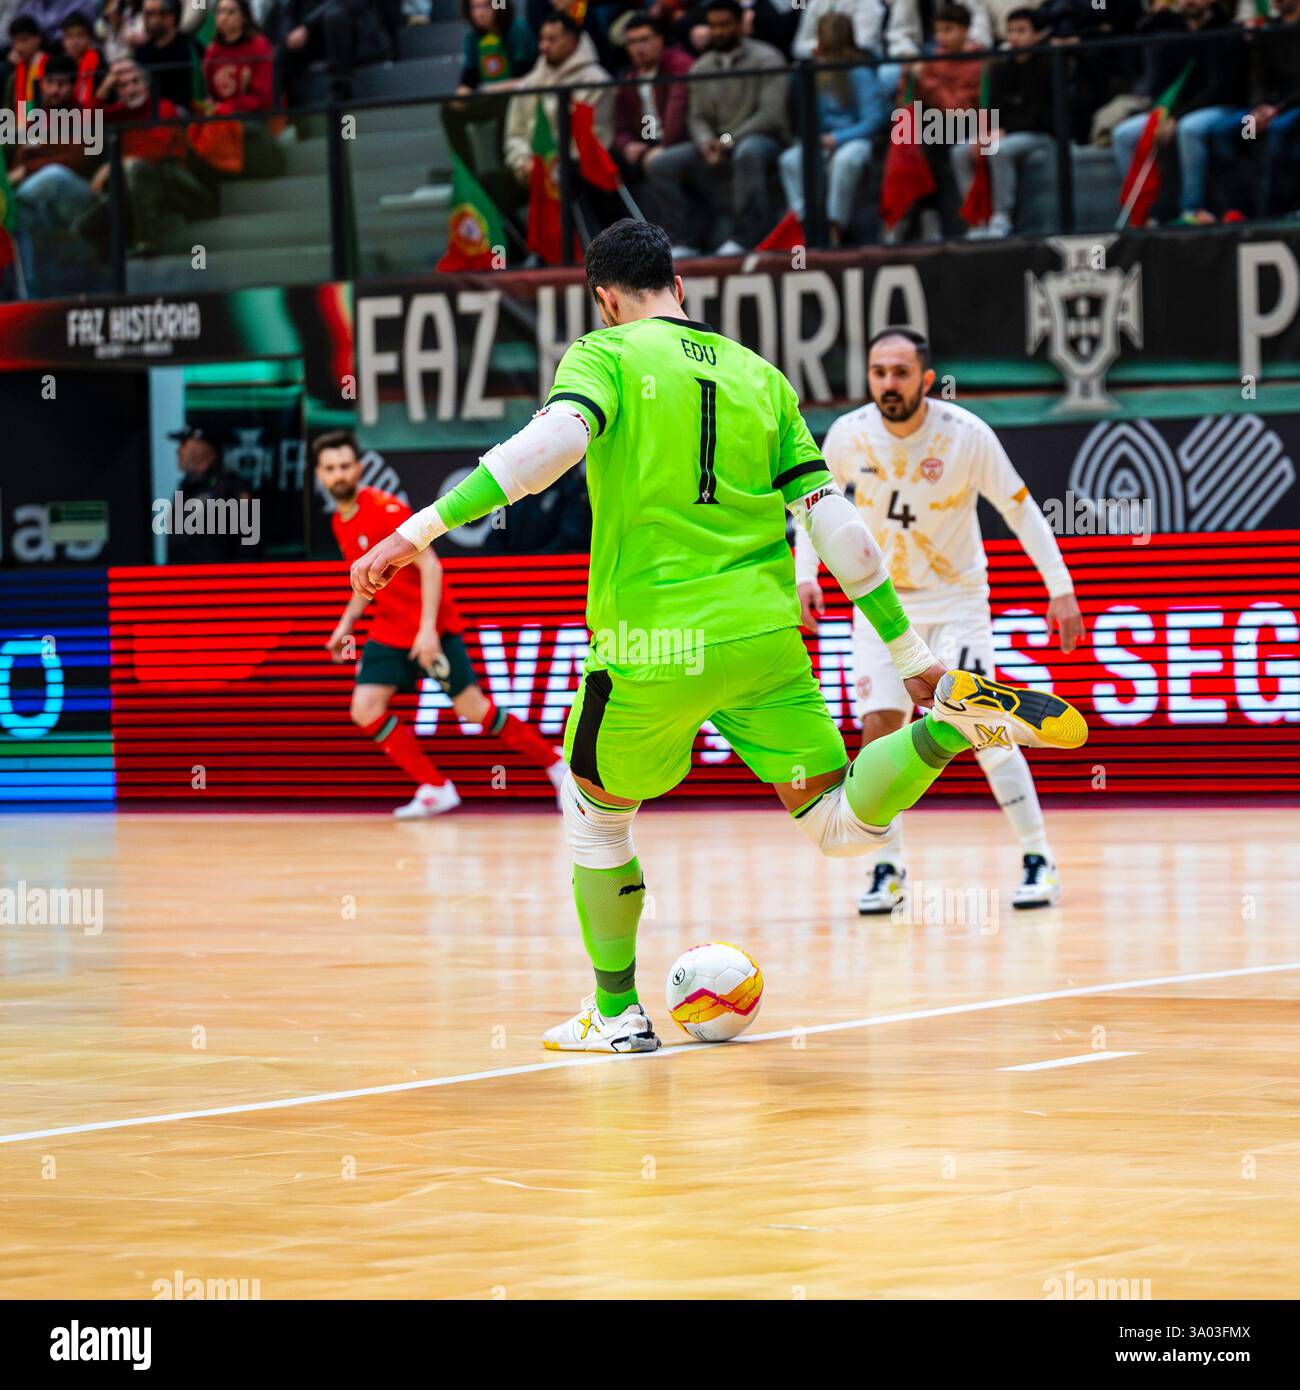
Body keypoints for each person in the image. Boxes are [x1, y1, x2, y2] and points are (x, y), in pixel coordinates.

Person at [348, 220, 1088, 1052]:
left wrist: (414, 531)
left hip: (650, 647)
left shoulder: (604, 353)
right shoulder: (761, 376)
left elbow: (547, 449)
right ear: (679, 288)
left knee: (597, 817)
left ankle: (618, 1015)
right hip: (765, 639)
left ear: (604, 299)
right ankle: (945, 729)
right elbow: (840, 529)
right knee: (840, 825)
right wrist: (913, 657)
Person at [795, 329, 1085, 914]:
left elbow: (1021, 510)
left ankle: (1038, 857)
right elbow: (814, 508)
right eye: (879, 372)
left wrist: (1061, 589)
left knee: (982, 727)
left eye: (901, 373)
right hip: (882, 608)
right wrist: (806, 576)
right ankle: (887, 869)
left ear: (926, 380)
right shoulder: (848, 434)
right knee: (879, 733)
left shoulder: (966, 435)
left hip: (956, 603)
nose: (888, 383)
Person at [315, 432, 567, 818]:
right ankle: (435, 788)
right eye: (331, 468)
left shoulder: (385, 509)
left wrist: (427, 630)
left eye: (345, 465)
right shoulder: (339, 521)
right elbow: (367, 582)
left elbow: (430, 566)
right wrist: (345, 625)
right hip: (389, 630)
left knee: (473, 709)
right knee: (364, 709)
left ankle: (556, 764)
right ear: (320, 474)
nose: (339, 474)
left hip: (430, 627)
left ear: (359, 468)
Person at [646, 0, 789, 255]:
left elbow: (770, 115)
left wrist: (727, 140)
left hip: (763, 138)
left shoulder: (767, 58)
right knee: (661, 164)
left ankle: (746, 237)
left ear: (740, 24)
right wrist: (705, 142)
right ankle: (683, 241)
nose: (719, 31)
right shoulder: (701, 66)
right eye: (714, 26)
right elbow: (696, 116)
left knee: (748, 151)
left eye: (725, 25)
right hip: (716, 142)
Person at [1109, 0, 1248, 225]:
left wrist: (1177, 117)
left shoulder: (1227, 31)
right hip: (1174, 110)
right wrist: (1164, 116)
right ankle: (1144, 212)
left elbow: (1219, 88)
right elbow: (1161, 84)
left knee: (1189, 128)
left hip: (1221, 106)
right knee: (1123, 134)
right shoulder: (1172, 33)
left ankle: (1191, 209)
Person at [777, 11, 890, 244]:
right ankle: (804, 222)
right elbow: (806, 117)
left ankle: (834, 226)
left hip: (856, 139)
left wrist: (838, 138)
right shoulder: (814, 72)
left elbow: (873, 119)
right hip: (822, 140)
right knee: (790, 160)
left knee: (844, 161)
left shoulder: (859, 72)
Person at [951, 5, 1053, 238]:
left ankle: (1001, 217)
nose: (1014, 37)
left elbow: (1041, 115)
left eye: (1022, 31)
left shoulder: (1048, 65)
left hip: (1039, 134)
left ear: (1037, 35)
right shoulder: (1002, 67)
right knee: (960, 152)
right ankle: (976, 219)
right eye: (1011, 31)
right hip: (1005, 132)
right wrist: (987, 132)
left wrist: (1003, 131)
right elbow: (994, 108)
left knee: (998, 149)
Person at [610, 10, 692, 205]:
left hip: (681, 142)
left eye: (644, 40)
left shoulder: (678, 65)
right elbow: (619, 127)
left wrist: (662, 148)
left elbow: (677, 114)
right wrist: (627, 144)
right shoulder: (628, 79)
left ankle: (677, 225)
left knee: (658, 164)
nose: (638, 48)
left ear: (660, 40)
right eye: (632, 42)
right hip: (647, 143)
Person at [165, 426, 253, 564]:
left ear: (202, 447)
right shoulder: (185, 487)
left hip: (219, 574)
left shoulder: (229, 486)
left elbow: (249, 540)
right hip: (183, 574)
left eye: (184, 444)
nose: (178, 451)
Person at [136, 0, 203, 113]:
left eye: (150, 14)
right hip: (150, 115)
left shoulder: (191, 48)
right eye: (145, 14)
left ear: (170, 17)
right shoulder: (142, 51)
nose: (145, 19)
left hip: (187, 115)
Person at [58, 11, 101, 106]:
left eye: (80, 35)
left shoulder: (100, 63)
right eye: (70, 36)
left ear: (90, 39)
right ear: (63, 41)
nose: (75, 42)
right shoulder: (58, 66)